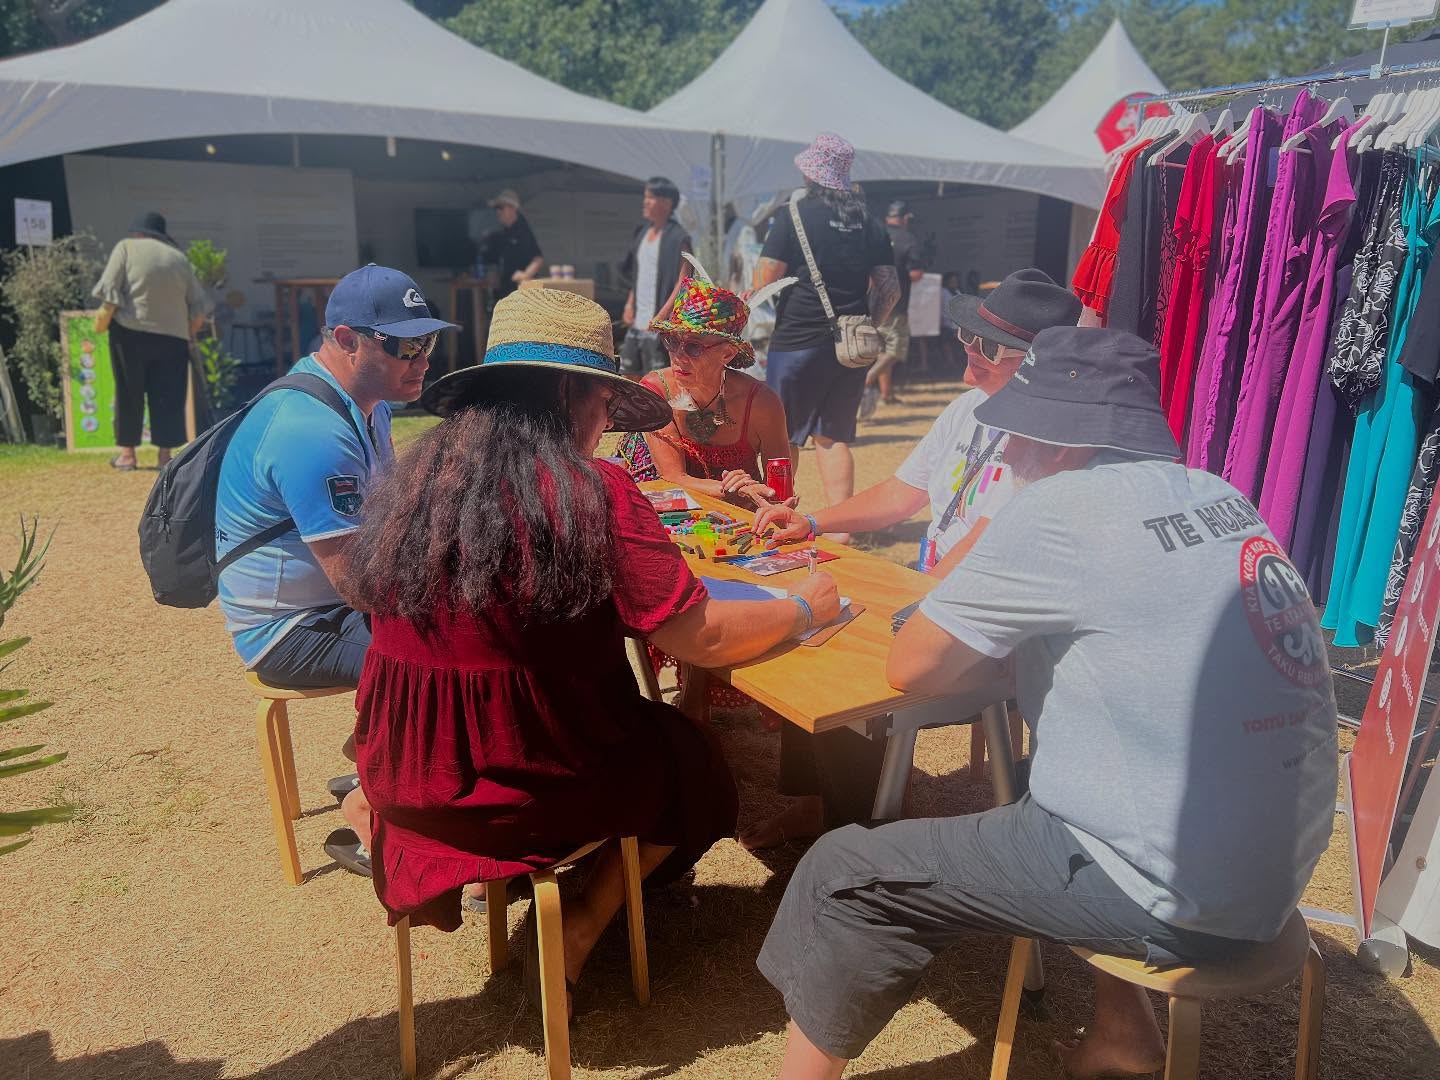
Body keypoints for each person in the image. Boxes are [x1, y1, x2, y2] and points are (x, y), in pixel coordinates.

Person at [759, 327, 1339, 1080]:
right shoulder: (1220, 494)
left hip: (1174, 895)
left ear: (1064, 445)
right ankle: (1124, 1038)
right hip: (1276, 871)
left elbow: (911, 668)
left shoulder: (1060, 509)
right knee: (1057, 767)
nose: (999, 452)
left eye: (1014, 432)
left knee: (844, 872)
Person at [346, 289, 840, 1018]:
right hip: (520, 784)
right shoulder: (593, 490)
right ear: (572, 393)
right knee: (694, 758)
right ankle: (574, 935)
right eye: (605, 402)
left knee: (647, 737)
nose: (609, 421)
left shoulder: (418, 480)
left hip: (403, 771)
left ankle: (519, 891)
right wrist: (804, 609)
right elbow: (694, 635)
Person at [739, 269, 1081, 852]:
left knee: (836, 660)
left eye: (987, 345)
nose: (968, 349)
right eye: (968, 335)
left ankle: (858, 843)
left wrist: (906, 604)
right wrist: (815, 522)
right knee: (808, 627)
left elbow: (988, 544)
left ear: (1032, 364)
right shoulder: (967, 407)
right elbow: (902, 493)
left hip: (987, 629)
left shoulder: (1053, 436)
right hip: (936, 596)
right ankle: (823, 807)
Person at [214, 263, 456, 871]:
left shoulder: (366, 402)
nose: (422, 358)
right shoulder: (311, 429)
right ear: (346, 339)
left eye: (429, 341)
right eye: (406, 344)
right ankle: (367, 807)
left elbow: (391, 521)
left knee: (451, 626)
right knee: (438, 655)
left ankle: (370, 760)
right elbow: (362, 586)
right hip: (288, 629)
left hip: (322, 604)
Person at [753, 133, 898, 527]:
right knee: (833, 437)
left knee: (785, 438)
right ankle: (842, 529)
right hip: (851, 346)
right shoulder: (869, 221)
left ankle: (780, 515)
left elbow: (765, 279)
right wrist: (865, 326)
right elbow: (889, 288)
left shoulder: (792, 215)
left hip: (797, 340)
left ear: (810, 173)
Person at [619, 253, 793, 505]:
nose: (678, 355)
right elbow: (672, 476)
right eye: (672, 341)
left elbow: (780, 488)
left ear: (727, 353)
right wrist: (732, 489)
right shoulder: (657, 390)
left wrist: (768, 496)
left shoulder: (762, 404)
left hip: (737, 514)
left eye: (693, 347)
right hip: (666, 507)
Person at [91, 211, 211, 471]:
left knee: (128, 392)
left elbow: (110, 293)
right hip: (173, 338)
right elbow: (199, 310)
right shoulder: (179, 258)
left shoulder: (126, 247)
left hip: (130, 333)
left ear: (137, 232)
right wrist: (188, 332)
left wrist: (101, 319)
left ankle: (127, 456)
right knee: (168, 395)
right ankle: (164, 456)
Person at [620, 177, 693, 379]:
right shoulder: (642, 233)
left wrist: (662, 315)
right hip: (637, 322)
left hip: (660, 325)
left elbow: (684, 281)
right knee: (628, 377)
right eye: (645, 197)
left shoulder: (679, 237)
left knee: (659, 382)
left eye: (650, 198)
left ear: (666, 202)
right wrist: (629, 303)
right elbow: (639, 274)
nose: (645, 202)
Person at [859, 201, 924, 418]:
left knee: (881, 348)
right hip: (894, 302)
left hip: (868, 301)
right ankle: (867, 380)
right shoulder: (908, 239)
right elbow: (916, 274)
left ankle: (886, 394)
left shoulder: (872, 233)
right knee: (895, 349)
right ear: (905, 218)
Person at [479, 189, 544, 300]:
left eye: (501, 208)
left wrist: (525, 275)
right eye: (496, 208)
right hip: (506, 290)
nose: (498, 212)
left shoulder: (522, 230)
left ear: (512, 208)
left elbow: (538, 259)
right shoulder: (504, 232)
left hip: (521, 294)